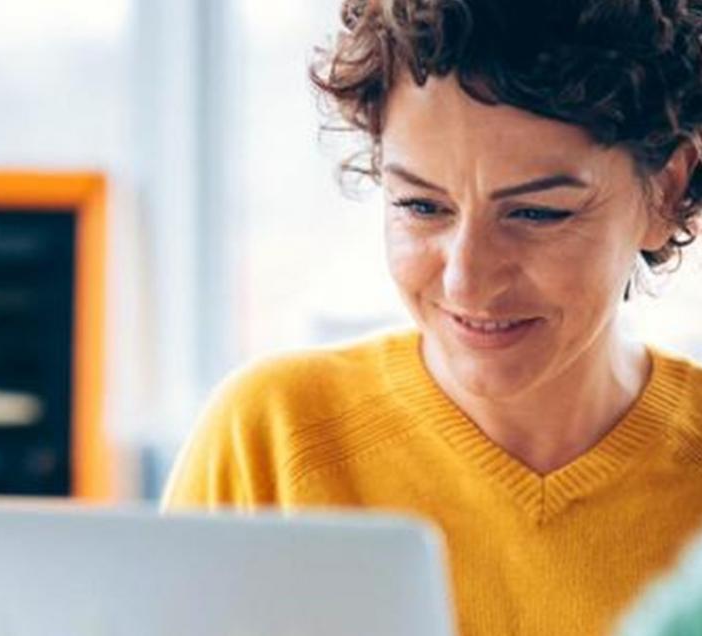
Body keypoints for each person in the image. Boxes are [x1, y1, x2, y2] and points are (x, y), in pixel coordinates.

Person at [161, 1, 702, 635]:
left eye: (536, 214)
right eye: (420, 206)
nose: (465, 279)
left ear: (666, 193)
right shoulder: (273, 438)